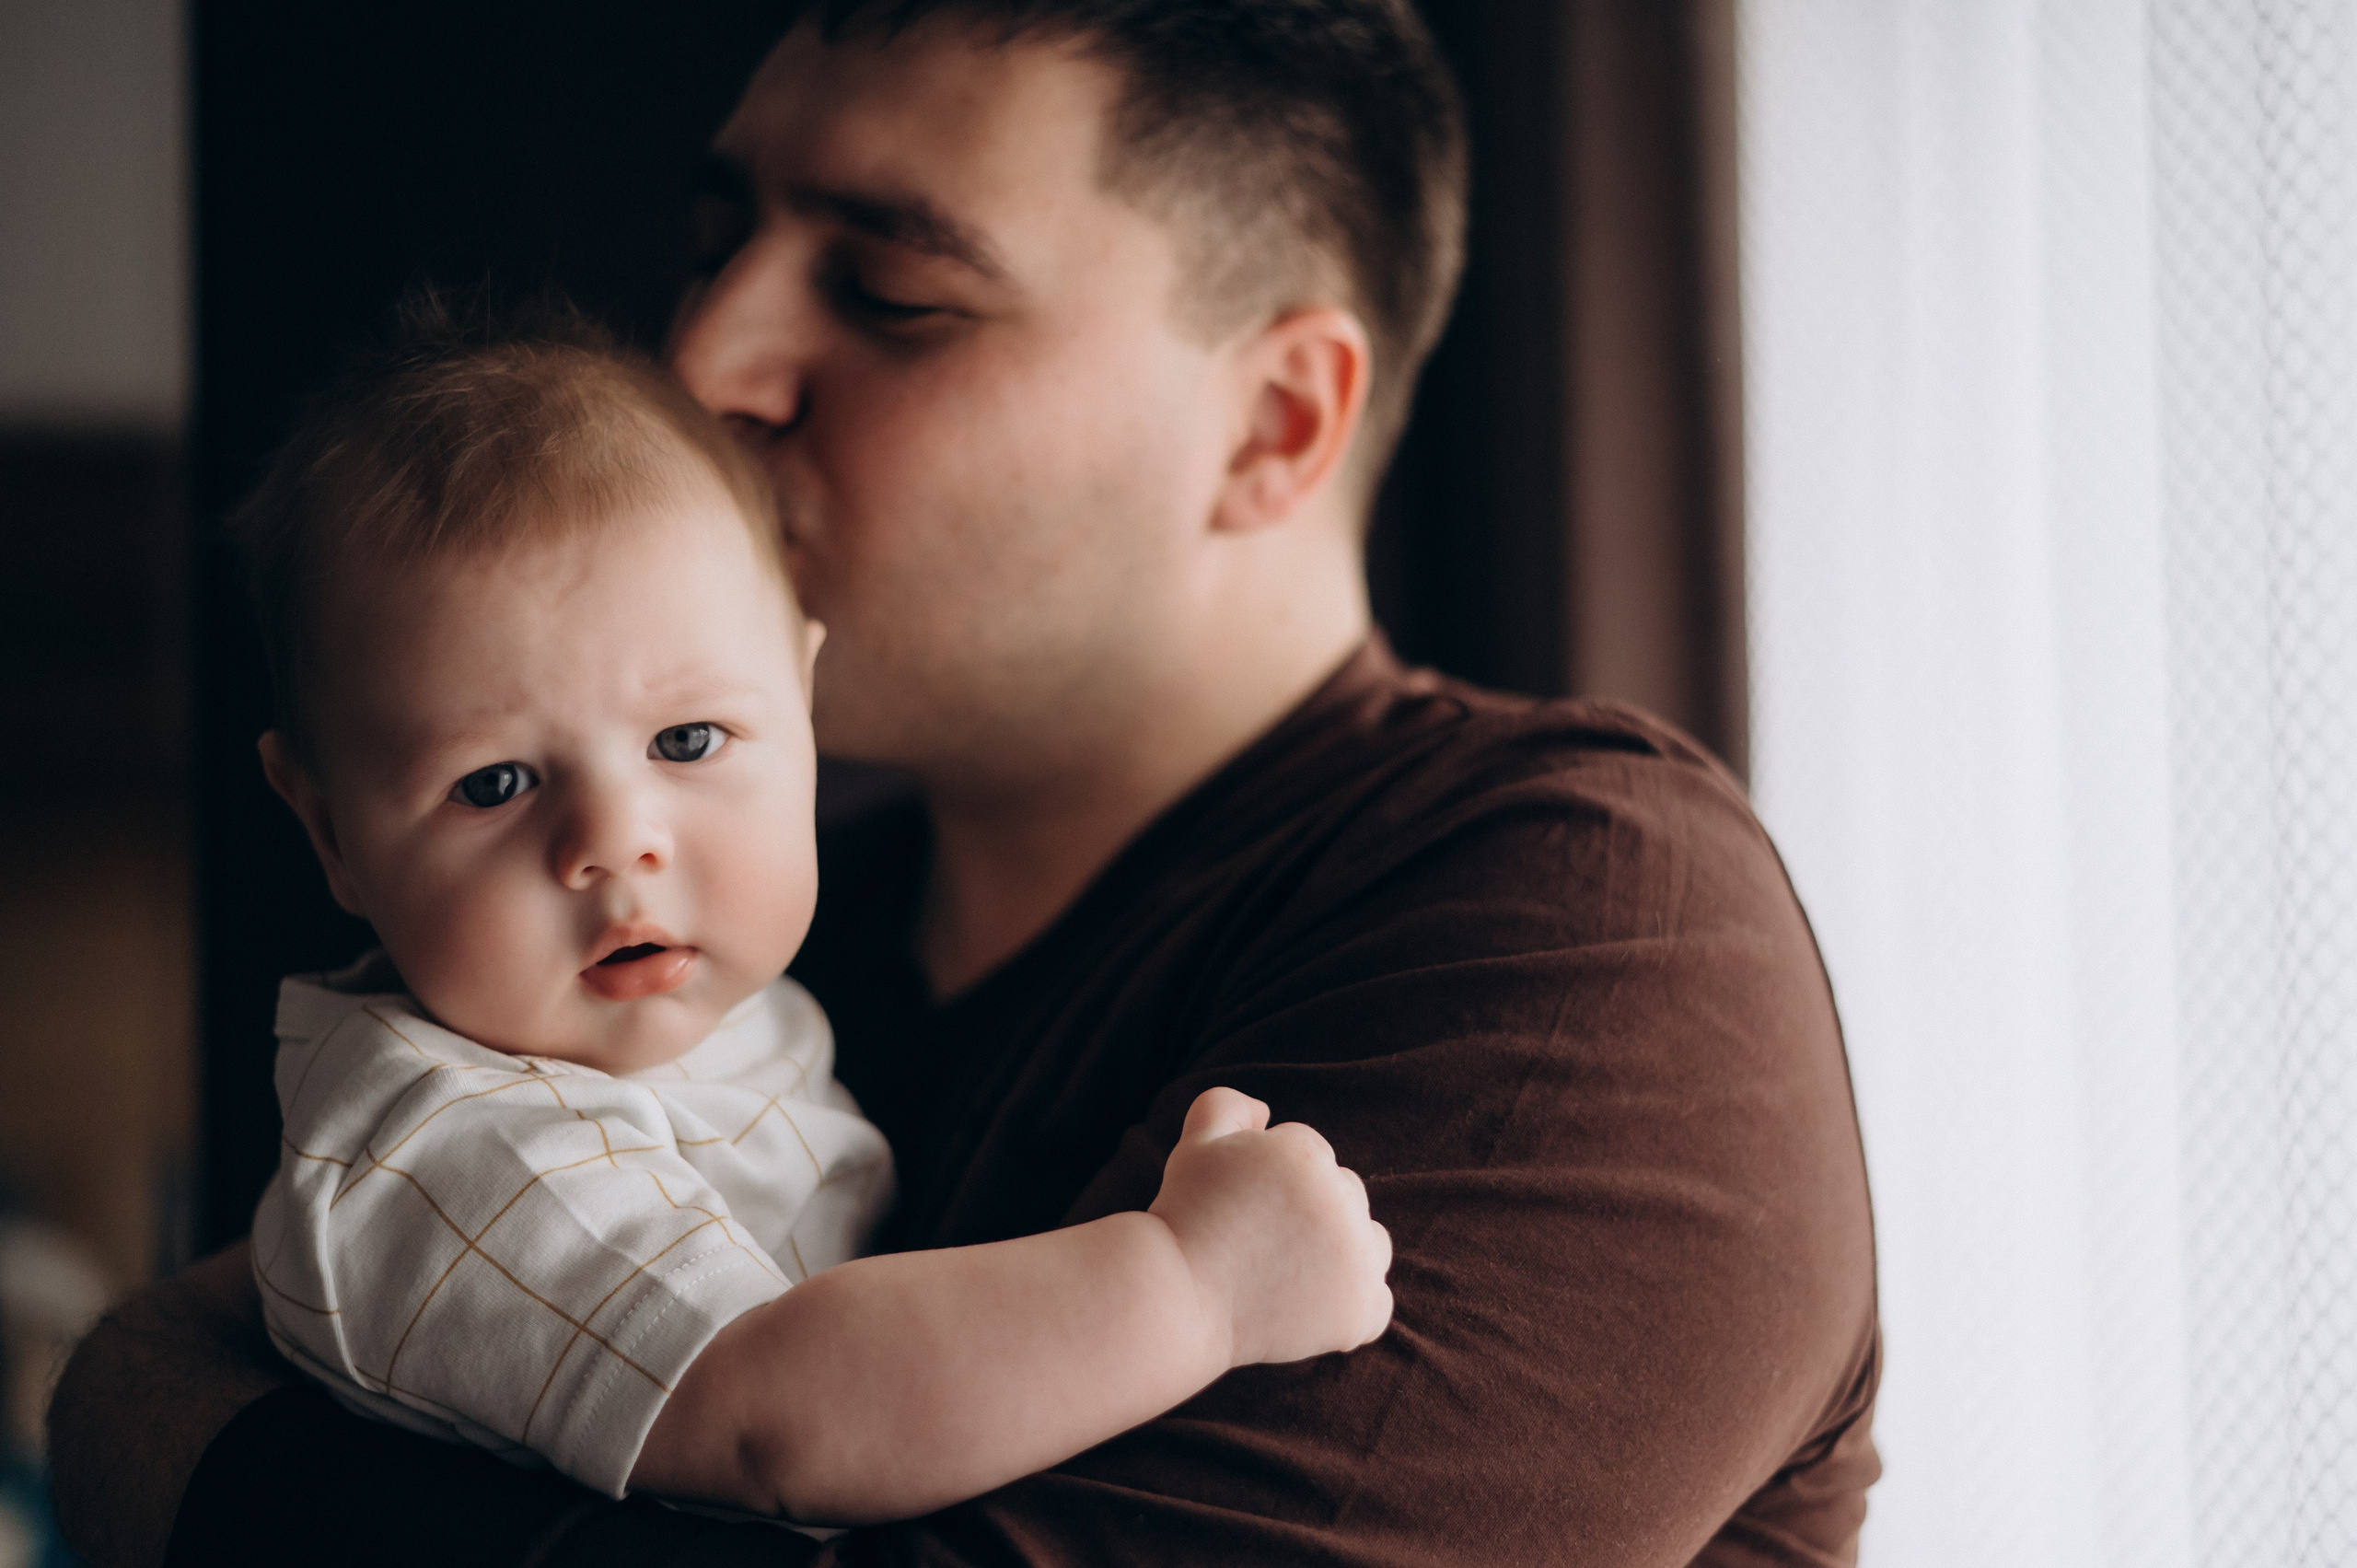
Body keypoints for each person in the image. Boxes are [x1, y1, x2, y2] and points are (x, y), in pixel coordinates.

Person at [50, 2, 1883, 1564]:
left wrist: (155, 1425)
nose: (702, 362)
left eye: (889, 290)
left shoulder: (1576, 920)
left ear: (1272, 425)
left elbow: (188, 1368)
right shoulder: (716, 956)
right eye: (717, 244)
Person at [227, 308, 1391, 1521]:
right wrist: (1196, 1288)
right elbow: (780, 1418)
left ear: (804, 693)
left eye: (688, 739)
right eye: (496, 784)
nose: (617, 842)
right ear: (329, 834)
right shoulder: (456, 1153)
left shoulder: (703, 1007)